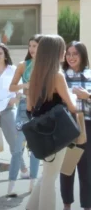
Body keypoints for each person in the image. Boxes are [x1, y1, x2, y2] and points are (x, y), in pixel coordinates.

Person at [26, 35, 76, 210]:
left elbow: (29, 107)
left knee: (47, 172)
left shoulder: (35, 75)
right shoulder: (57, 76)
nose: (65, 52)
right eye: (63, 49)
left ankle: (31, 207)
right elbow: (72, 106)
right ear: (56, 52)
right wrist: (78, 96)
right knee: (50, 177)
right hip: (56, 132)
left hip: (41, 132)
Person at [7, 34, 43, 196]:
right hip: (23, 108)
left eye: (35, 46)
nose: (32, 49)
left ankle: (32, 185)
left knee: (36, 149)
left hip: (41, 109)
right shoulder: (23, 65)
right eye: (30, 46)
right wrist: (25, 84)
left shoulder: (47, 66)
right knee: (17, 149)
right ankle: (11, 186)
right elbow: (12, 87)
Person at [60, 41, 91, 210]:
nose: (71, 57)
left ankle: (87, 206)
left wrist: (88, 96)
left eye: (75, 54)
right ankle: (67, 206)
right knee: (67, 168)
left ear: (82, 55)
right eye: (68, 53)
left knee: (86, 169)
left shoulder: (90, 74)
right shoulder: (60, 76)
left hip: (87, 125)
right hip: (66, 125)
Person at [0, 43, 21, 178]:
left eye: (0, 53)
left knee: (13, 139)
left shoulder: (13, 69)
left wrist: (16, 99)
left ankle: (18, 167)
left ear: (5, 55)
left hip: (8, 108)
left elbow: (21, 87)